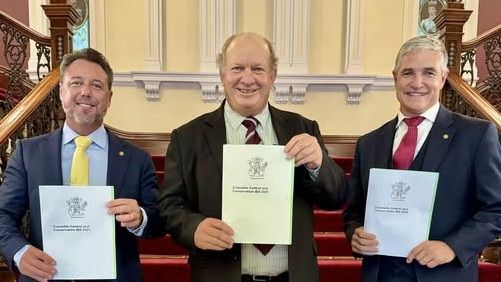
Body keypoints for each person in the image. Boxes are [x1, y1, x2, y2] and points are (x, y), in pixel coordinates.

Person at [157, 32, 347, 282]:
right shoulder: (187, 137)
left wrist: (318, 164)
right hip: (219, 274)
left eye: (258, 69)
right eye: (237, 68)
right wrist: (194, 228)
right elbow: (169, 206)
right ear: (222, 74)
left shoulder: (302, 129)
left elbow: (336, 198)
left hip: (293, 275)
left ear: (273, 75)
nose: (247, 79)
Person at [343, 35, 501, 282]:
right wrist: (355, 233)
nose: (417, 83)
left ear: (443, 78)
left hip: (445, 275)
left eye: (428, 73)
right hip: (381, 274)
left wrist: (452, 247)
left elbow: (495, 209)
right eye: (408, 73)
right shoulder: (369, 143)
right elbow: (353, 214)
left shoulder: (477, 135)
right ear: (395, 79)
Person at [0, 48, 160, 281]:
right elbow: (2, 214)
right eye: (76, 83)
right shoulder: (28, 153)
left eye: (96, 86)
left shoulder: (137, 160)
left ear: (109, 98)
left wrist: (141, 218)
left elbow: (160, 220)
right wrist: (19, 252)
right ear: (61, 91)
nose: (86, 92)